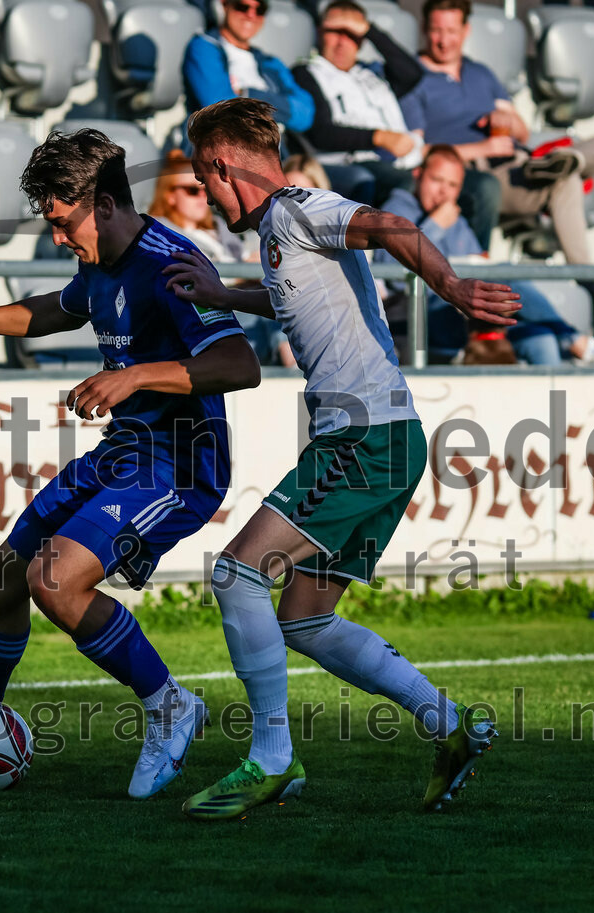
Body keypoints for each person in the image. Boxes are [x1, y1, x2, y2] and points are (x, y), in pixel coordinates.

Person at [163, 97, 515, 819]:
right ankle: (451, 728)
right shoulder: (280, 232)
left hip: (363, 436)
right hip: (381, 435)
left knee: (237, 576)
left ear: (223, 166)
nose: (204, 191)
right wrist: (221, 292)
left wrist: (451, 287)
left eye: (203, 177)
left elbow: (388, 224)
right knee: (305, 616)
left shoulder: (296, 207)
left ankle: (271, 758)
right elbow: (301, 297)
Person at [0, 128, 262, 800]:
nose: (61, 238)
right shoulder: (100, 261)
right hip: (123, 453)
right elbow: (52, 311)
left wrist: (133, 378)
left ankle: (169, 704)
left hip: (179, 466)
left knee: (56, 580)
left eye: (65, 224)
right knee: (3, 574)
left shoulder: (170, 263)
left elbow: (241, 365)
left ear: (109, 205)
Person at [374, 144, 594, 366]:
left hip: (469, 315)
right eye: (437, 180)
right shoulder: (398, 209)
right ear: (418, 175)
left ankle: (554, 424)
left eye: (453, 185)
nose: (444, 192)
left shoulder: (455, 218)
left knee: (541, 340)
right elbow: (393, 275)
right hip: (424, 314)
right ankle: (578, 341)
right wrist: (435, 225)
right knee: (505, 274)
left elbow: (474, 261)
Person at [400, 0, 594, 261]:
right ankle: (586, 276)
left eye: (452, 31)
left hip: (519, 163)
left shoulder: (481, 73)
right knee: (561, 181)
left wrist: (507, 119)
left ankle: (565, 163)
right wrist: (483, 148)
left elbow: (523, 132)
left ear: (466, 30)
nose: (444, 41)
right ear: (425, 29)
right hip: (474, 170)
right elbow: (414, 151)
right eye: (437, 31)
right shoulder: (412, 78)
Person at [148, 149, 294, 368]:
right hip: (206, 314)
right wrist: (242, 272)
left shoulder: (224, 228)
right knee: (279, 305)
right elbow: (182, 278)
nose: (202, 197)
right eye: (190, 191)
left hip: (244, 306)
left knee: (287, 295)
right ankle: (292, 364)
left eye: (203, 188)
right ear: (169, 195)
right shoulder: (160, 232)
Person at [290, 0, 422, 206]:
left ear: (361, 40)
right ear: (319, 32)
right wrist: (379, 137)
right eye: (334, 31)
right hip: (347, 162)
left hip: (401, 161)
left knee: (478, 185)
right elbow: (320, 132)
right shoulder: (305, 73)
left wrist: (370, 30)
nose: (342, 41)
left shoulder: (373, 72)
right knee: (404, 183)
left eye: (351, 34)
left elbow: (412, 73)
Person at [182, 0, 315, 135]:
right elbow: (219, 110)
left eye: (260, 9)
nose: (251, 15)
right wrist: (278, 106)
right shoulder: (203, 48)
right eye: (242, 7)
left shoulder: (271, 62)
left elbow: (305, 115)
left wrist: (246, 94)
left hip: (272, 151)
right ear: (224, 5)